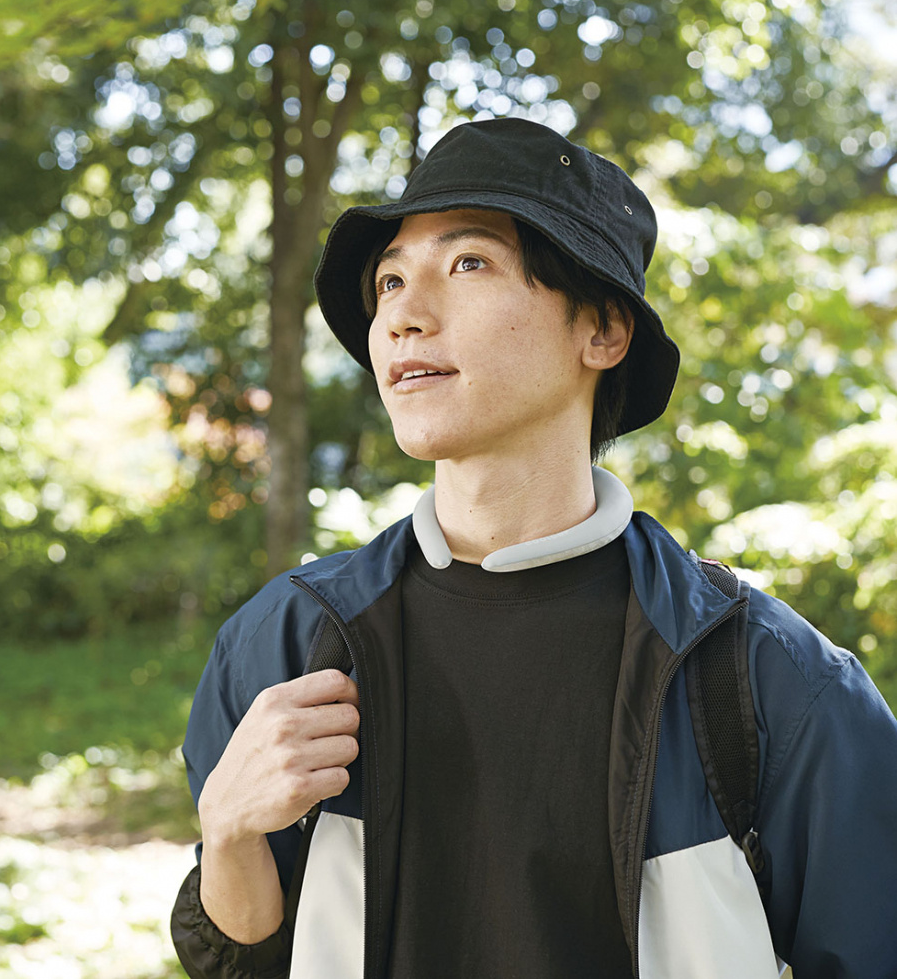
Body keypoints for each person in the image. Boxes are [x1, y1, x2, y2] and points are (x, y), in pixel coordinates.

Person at [170, 118, 897, 978]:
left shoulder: (768, 680)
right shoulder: (285, 642)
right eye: (390, 279)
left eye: (468, 263)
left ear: (604, 332)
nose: (403, 314)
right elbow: (245, 958)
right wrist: (228, 834)